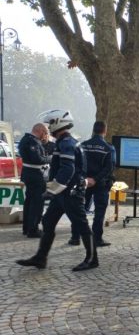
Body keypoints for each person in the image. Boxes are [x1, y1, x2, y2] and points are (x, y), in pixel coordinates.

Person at [16, 109, 98, 271]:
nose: (49, 128)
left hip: (70, 192)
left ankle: (92, 259)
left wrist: (52, 190)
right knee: (47, 221)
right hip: (64, 192)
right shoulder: (65, 142)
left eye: (50, 124)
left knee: (81, 224)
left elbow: (67, 170)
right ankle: (41, 258)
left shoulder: (66, 143)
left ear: (57, 123)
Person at [68, 121, 115, 247]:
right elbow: (109, 168)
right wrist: (95, 179)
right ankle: (97, 239)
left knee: (80, 210)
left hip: (84, 183)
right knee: (99, 212)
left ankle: (75, 237)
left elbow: (77, 165)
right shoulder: (108, 147)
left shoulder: (82, 145)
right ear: (105, 131)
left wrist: (86, 179)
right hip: (101, 184)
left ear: (93, 130)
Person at [18, 123, 51, 238]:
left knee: (29, 201)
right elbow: (37, 159)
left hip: (28, 174)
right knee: (37, 203)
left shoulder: (25, 139)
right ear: (40, 131)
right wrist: (51, 158)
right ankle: (33, 229)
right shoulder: (33, 141)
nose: (46, 135)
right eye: (45, 132)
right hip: (35, 175)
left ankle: (26, 227)